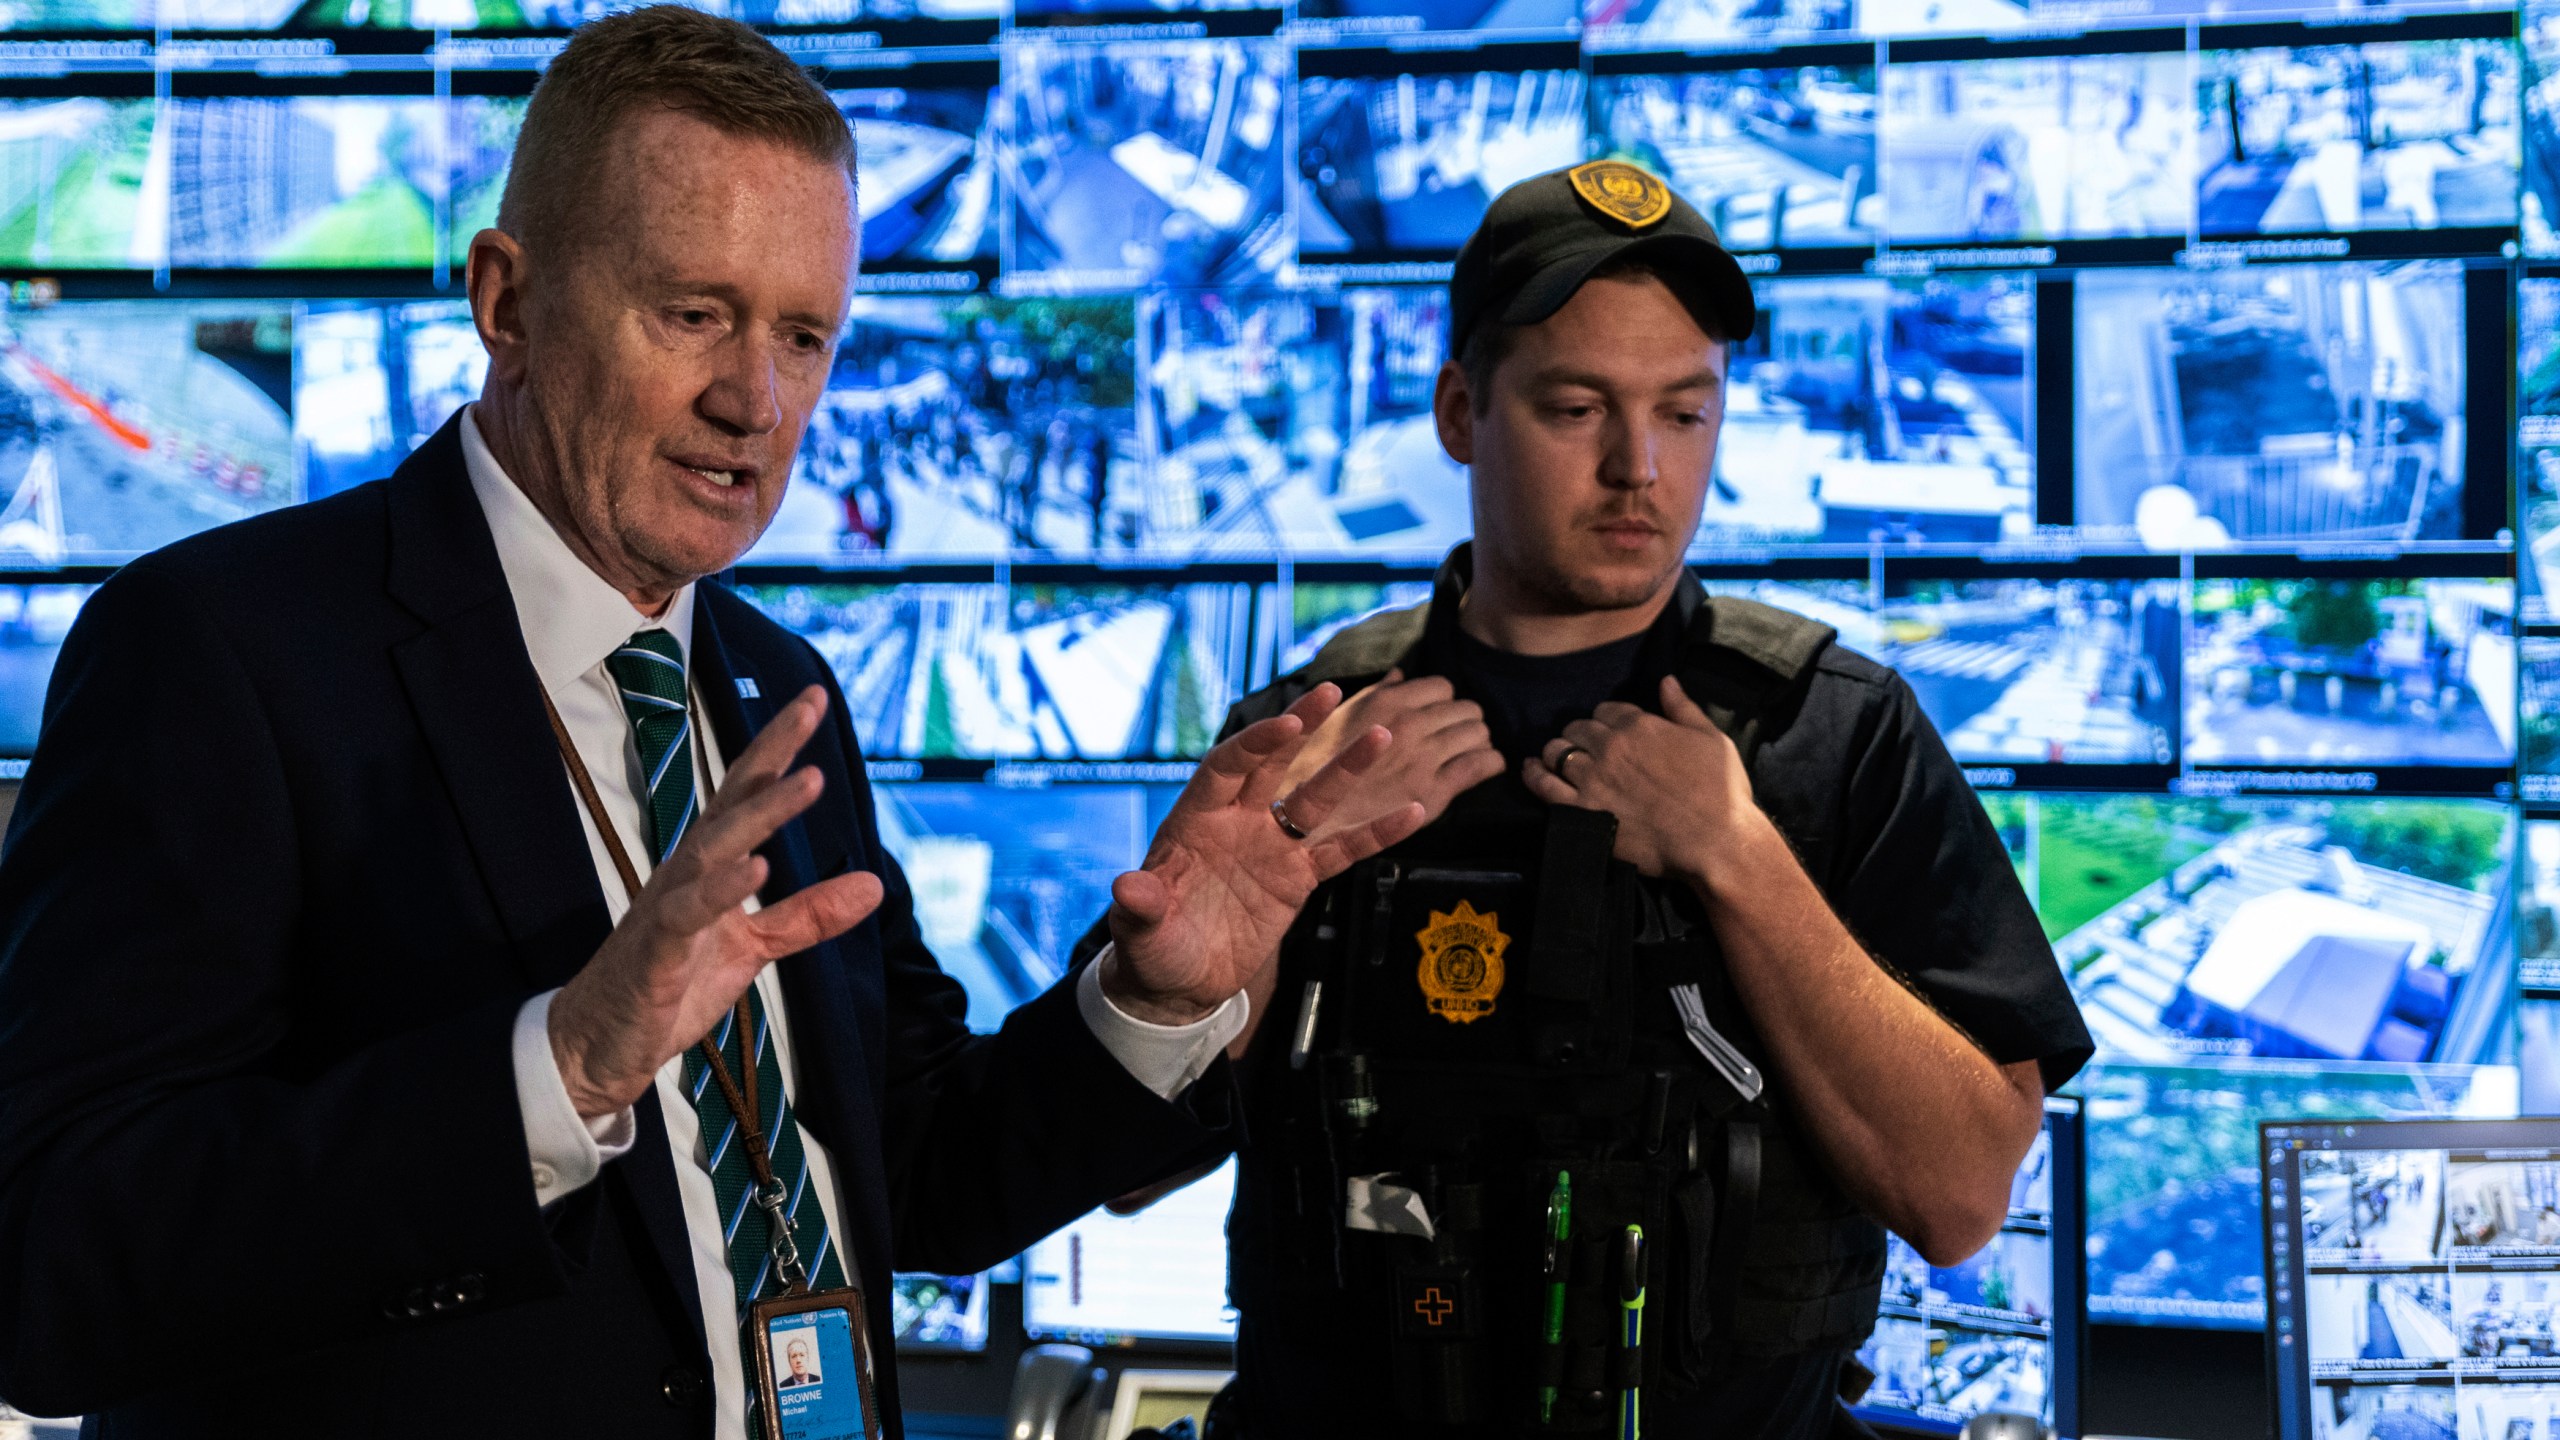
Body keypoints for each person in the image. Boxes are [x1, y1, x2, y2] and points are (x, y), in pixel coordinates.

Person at [0, 10, 1416, 1438]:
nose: (756, 400)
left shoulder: (772, 689)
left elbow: (909, 1171)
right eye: (693, 314)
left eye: (804, 335)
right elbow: (55, 1265)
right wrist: (557, 1069)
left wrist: (1152, 1003)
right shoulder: (225, 649)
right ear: (507, 301)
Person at [1110, 162, 2095, 1438]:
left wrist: (1739, 858)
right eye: (1578, 408)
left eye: (1686, 414)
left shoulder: (1828, 732)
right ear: (1462, 411)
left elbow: (1963, 1195)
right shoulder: (1314, 742)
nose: (1639, 468)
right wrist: (1191, 976)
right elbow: (1120, 1172)